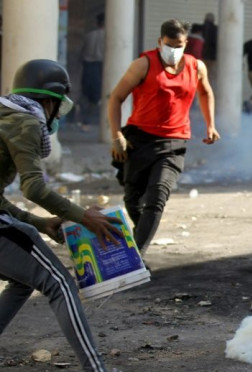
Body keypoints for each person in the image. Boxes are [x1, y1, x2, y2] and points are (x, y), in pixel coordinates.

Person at [0, 59, 155, 372]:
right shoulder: (24, 122)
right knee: (59, 283)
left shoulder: (5, 115)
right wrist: (82, 216)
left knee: (23, 280)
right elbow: (34, 187)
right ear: (50, 101)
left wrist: (39, 224)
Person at [108, 19, 219, 258]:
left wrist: (211, 124)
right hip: (139, 139)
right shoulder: (143, 64)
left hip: (174, 142)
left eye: (178, 44)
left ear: (186, 43)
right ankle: (140, 238)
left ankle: (136, 256)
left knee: (157, 196)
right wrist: (116, 134)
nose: (174, 49)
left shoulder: (196, 66)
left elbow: (206, 91)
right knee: (132, 199)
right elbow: (116, 98)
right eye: (169, 44)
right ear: (160, 42)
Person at [79, 12, 105, 130]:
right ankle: (88, 121)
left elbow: (82, 53)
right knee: (97, 96)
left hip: (87, 66)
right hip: (100, 67)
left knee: (86, 94)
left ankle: (85, 121)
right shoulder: (108, 35)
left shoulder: (89, 35)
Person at [201, 13, 218, 86]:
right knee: (211, 76)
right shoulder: (217, 29)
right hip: (213, 57)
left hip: (202, 56)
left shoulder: (201, 28)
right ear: (213, 20)